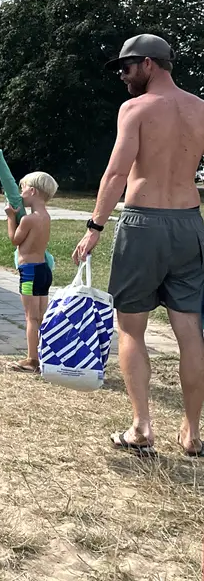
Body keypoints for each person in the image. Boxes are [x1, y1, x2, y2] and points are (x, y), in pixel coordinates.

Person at [72, 33, 204, 458]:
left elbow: (115, 174)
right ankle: (192, 432)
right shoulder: (200, 109)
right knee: (189, 330)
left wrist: (95, 226)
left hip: (143, 223)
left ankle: (142, 427)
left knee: (131, 328)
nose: (122, 75)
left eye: (126, 67)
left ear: (148, 64)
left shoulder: (136, 108)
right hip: (189, 223)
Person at [3, 172, 58, 374]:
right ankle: (44, 354)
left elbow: (15, 240)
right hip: (44, 270)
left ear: (32, 191)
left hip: (29, 273)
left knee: (31, 318)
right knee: (41, 316)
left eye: (23, 188)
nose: (21, 193)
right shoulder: (46, 217)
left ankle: (31, 359)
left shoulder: (28, 220)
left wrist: (11, 218)